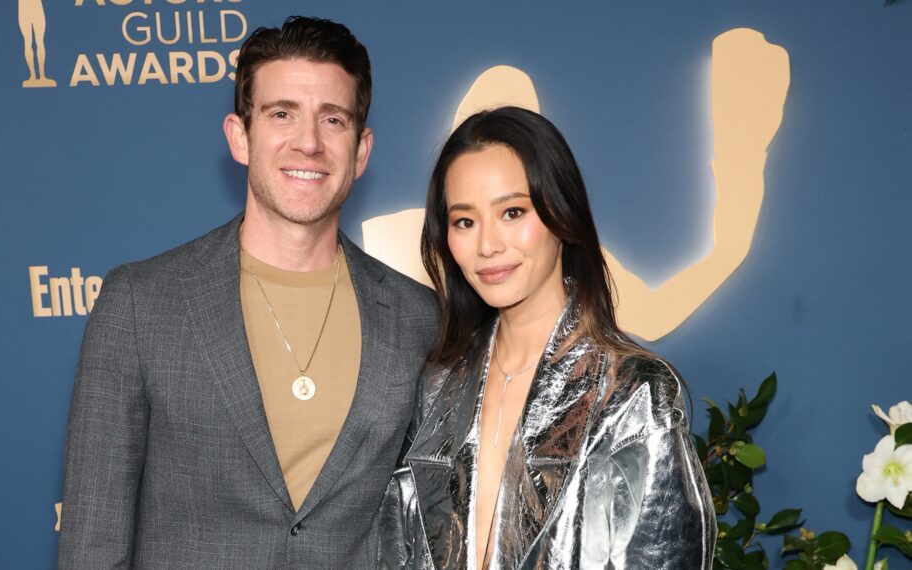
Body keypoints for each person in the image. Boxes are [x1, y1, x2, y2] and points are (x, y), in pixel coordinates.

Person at [58, 16, 438, 569]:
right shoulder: (140, 304)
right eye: (282, 114)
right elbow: (92, 543)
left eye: (333, 120)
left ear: (361, 150)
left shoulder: (416, 318)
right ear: (240, 136)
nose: (308, 143)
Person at [378, 106, 716, 569]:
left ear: (561, 213)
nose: (488, 245)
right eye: (464, 221)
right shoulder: (438, 385)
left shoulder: (632, 392)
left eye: (512, 212)